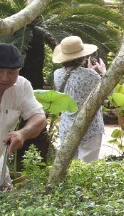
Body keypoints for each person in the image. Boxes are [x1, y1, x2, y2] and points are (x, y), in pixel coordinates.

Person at [52, 36, 106, 162]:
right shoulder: (91, 75)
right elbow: (108, 91)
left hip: (67, 126)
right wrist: (103, 72)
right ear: (82, 56)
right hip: (89, 126)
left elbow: (75, 84)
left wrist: (88, 71)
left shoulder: (57, 74)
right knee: (87, 165)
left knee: (70, 164)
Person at [0, 44, 46, 187]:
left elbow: (39, 117)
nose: (4, 78)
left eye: (11, 73)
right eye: (0, 71)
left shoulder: (23, 86)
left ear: (19, 71)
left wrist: (22, 133)